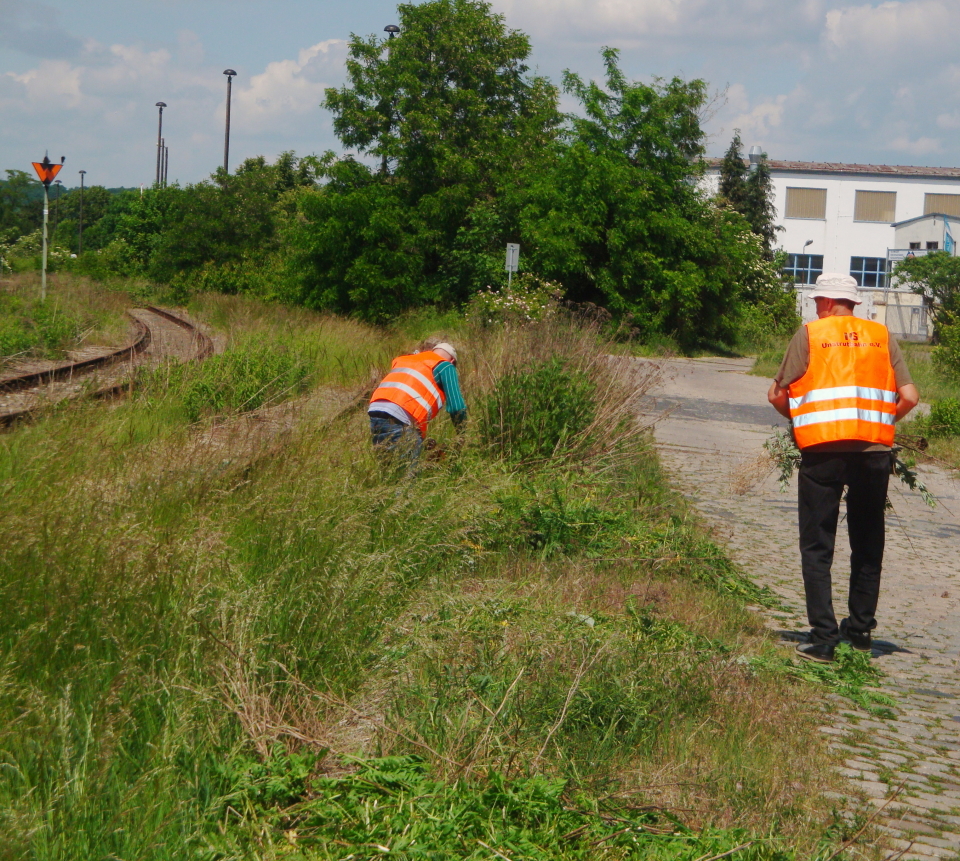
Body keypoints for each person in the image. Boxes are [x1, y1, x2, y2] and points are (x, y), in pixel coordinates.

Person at [767, 273, 920, 663]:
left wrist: (799, 423)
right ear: (853, 302)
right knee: (868, 542)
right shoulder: (881, 336)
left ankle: (823, 638)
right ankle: (861, 632)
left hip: (823, 452)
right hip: (873, 453)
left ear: (825, 301)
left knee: (818, 544)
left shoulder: (811, 334)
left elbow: (776, 394)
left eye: (817, 302)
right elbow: (909, 396)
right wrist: (882, 424)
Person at [368, 339, 467, 464]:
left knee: (387, 468)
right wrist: (462, 435)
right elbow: (457, 407)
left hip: (375, 412)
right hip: (402, 416)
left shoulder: (407, 359)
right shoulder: (445, 366)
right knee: (408, 472)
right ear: (452, 361)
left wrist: (423, 441)